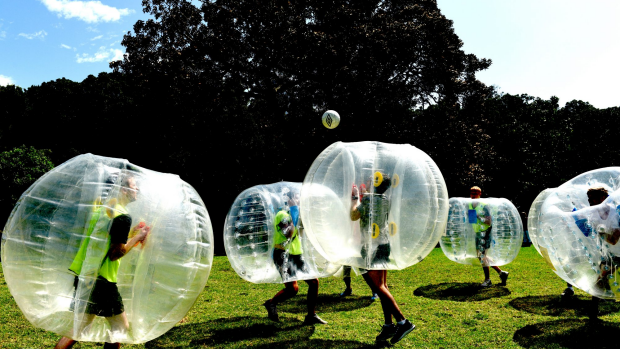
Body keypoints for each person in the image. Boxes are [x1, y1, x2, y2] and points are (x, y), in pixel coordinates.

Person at [55, 175, 150, 349]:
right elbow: (115, 253)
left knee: (80, 328)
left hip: (86, 275)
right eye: (134, 186)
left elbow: (102, 240)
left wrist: (130, 235)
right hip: (102, 281)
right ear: (123, 190)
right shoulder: (123, 216)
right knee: (120, 327)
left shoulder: (102, 210)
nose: (137, 190)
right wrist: (138, 236)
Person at [350, 172, 414, 344]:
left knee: (378, 287)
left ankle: (403, 322)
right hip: (384, 244)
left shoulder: (369, 200)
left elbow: (354, 216)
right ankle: (388, 325)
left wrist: (355, 199)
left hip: (372, 246)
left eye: (371, 180)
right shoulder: (386, 199)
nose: (369, 182)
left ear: (376, 183)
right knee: (382, 286)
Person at [263, 189, 327, 325]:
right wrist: (294, 211)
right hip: (283, 254)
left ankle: (311, 315)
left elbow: (302, 233)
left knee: (314, 282)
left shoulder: (296, 214)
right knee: (293, 289)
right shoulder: (282, 215)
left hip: (297, 254)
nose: (300, 200)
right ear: (290, 198)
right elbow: (289, 233)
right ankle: (271, 303)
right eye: (298, 197)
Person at [573, 187, 620, 320]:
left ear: (602, 198)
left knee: (603, 279)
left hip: (618, 251)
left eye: (592, 198)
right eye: (588, 199)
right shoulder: (592, 214)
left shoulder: (616, 212)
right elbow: (590, 234)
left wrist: (597, 232)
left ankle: (594, 311)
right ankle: (593, 313)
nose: (589, 202)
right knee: (600, 279)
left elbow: (613, 240)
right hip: (610, 254)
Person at [469, 186, 509, 287]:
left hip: (485, 232)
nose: (473, 195)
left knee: (482, 256)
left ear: (480, 194)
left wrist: (478, 216)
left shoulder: (484, 205)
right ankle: (501, 273)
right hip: (478, 233)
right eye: (472, 193)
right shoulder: (469, 205)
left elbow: (488, 221)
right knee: (481, 256)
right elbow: (472, 221)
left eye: (475, 193)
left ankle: (488, 280)